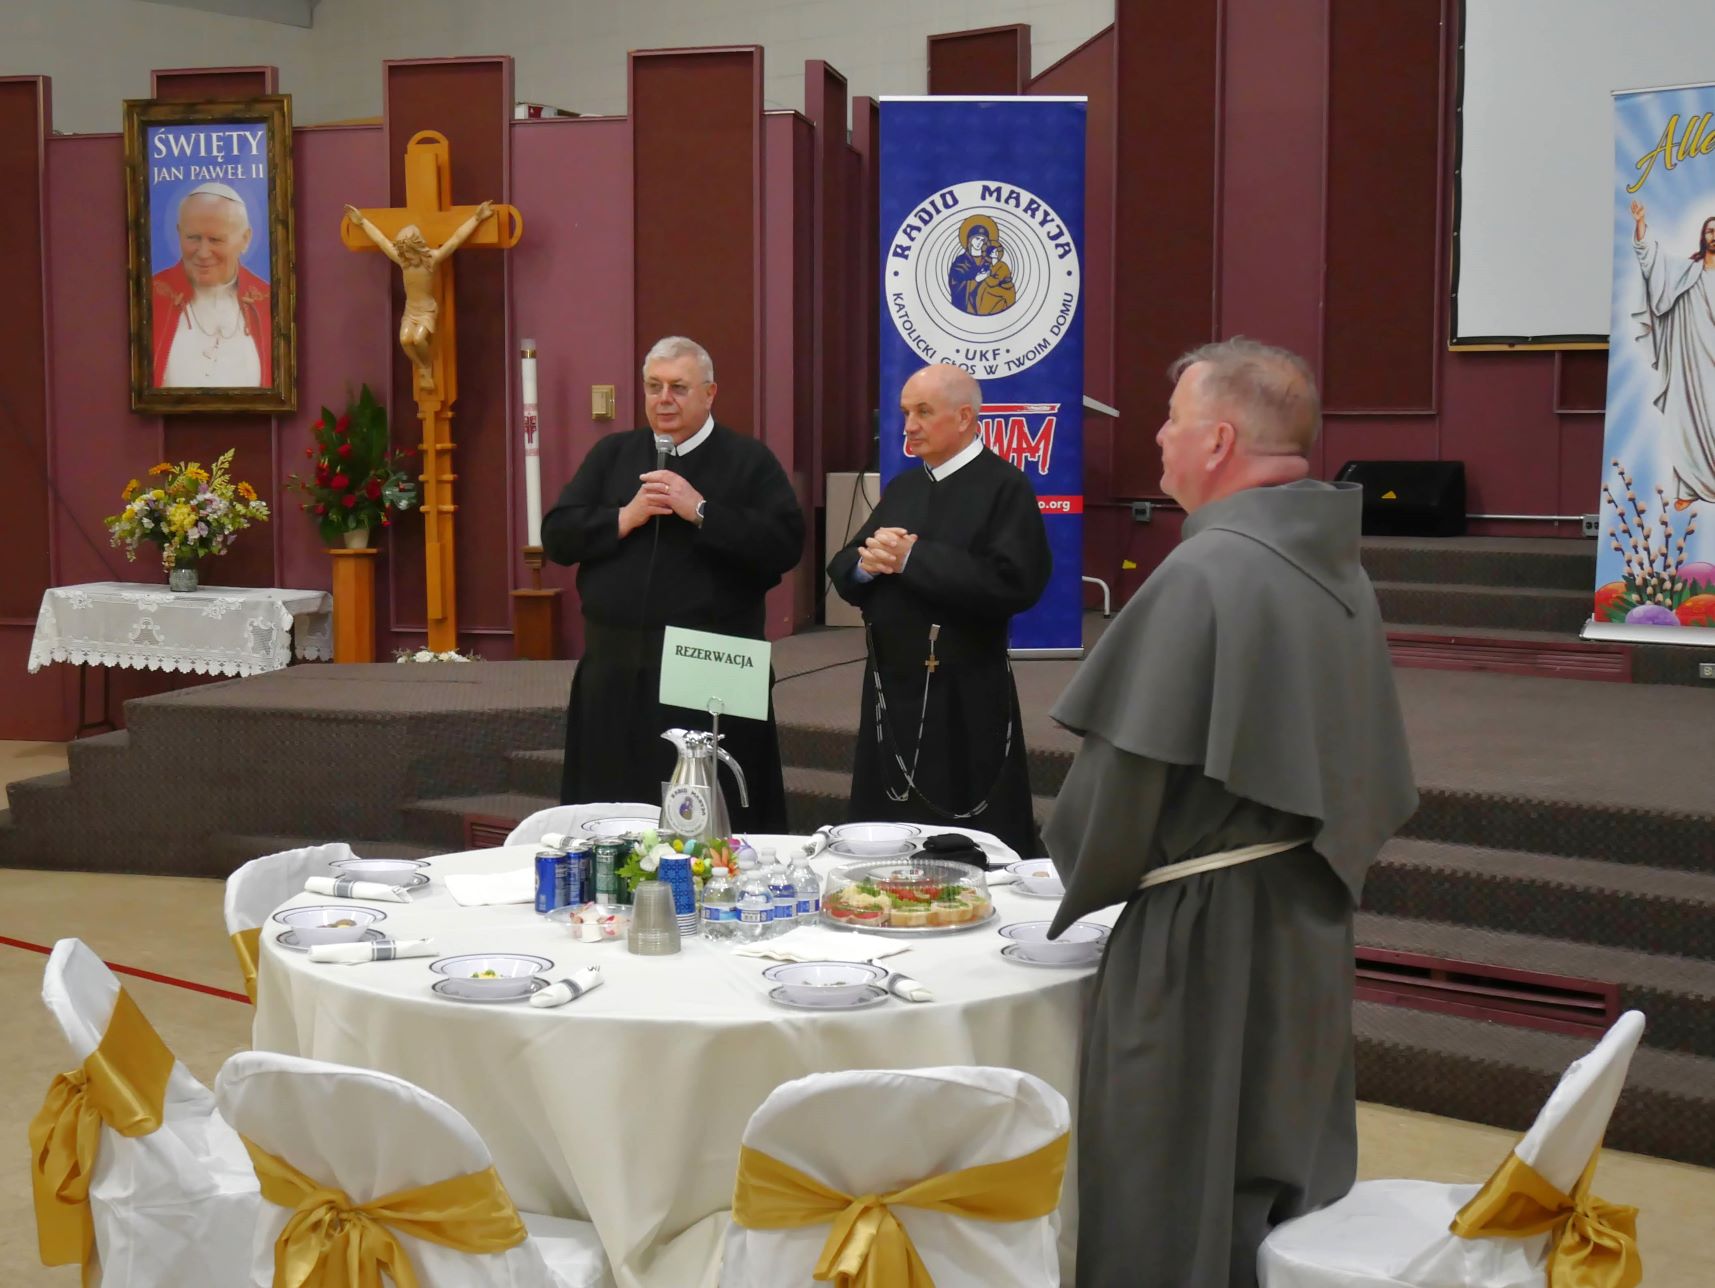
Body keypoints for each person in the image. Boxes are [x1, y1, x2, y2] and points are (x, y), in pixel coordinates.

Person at [1044, 338, 1417, 1287]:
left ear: (1215, 442)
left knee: (1169, 1185)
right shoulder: (1338, 566)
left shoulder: (1203, 573)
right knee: (1276, 1175)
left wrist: (1079, 867)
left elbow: (1113, 800)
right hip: (1304, 916)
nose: (1157, 438)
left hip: (1197, 944)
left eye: (1171, 420)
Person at [542, 336, 804, 832]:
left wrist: (701, 511)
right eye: (653, 386)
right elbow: (557, 535)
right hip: (617, 666)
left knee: (713, 815)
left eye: (678, 388)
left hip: (710, 666)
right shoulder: (612, 454)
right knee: (612, 808)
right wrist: (623, 517)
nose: (664, 399)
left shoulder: (748, 460)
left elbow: (784, 545)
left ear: (710, 393)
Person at [827, 363, 1050, 859]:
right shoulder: (905, 487)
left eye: (923, 412)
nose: (908, 426)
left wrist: (913, 558)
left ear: (965, 417)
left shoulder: (1004, 486)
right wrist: (866, 564)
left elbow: (1016, 582)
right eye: (905, 412)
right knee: (887, 826)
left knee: (959, 827)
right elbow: (844, 565)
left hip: (962, 688)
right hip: (891, 682)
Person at [345, 199, 495, 391]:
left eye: (407, 251)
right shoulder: (403, 262)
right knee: (404, 340)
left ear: (416, 247)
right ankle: (424, 367)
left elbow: (456, 239)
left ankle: (427, 364)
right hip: (411, 310)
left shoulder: (431, 260)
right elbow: (381, 241)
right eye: (403, 251)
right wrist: (362, 222)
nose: (405, 255)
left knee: (418, 339)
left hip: (426, 310)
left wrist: (477, 218)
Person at [1629, 201, 1715, 510]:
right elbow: (1652, 261)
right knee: (1689, 418)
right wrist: (1641, 224)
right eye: (1710, 230)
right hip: (1691, 361)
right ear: (1703, 236)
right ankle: (1689, 487)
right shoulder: (1686, 272)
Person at [151, 182, 270, 388]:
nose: (203, 253)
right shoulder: (150, 296)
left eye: (215, 240)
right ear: (179, 233)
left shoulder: (269, 300)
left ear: (245, 239)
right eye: (193, 238)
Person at [947, 219, 1001, 315]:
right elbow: (955, 285)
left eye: (982, 240)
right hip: (966, 311)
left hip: (987, 308)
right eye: (977, 239)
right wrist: (976, 280)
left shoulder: (989, 261)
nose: (979, 242)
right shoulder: (961, 261)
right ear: (970, 240)